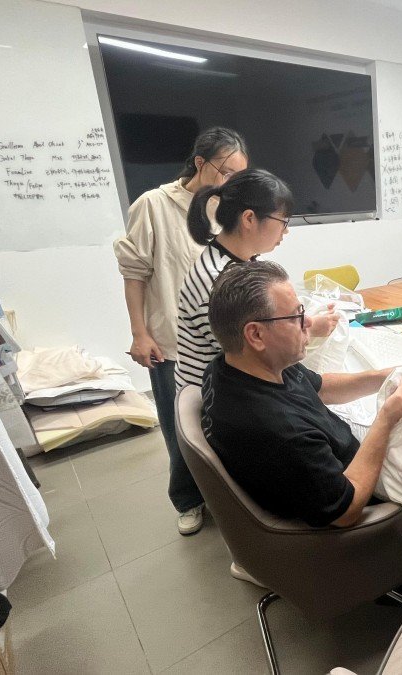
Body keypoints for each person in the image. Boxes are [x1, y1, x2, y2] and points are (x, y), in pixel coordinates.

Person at [200, 260, 402, 599]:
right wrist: (386, 418)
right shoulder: (278, 432)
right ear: (255, 334)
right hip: (349, 516)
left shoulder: (235, 367)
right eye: (297, 317)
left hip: (328, 469)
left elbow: (320, 386)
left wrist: (386, 375)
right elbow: (347, 511)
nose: (308, 325)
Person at [114, 127, 249, 536]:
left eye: (238, 177)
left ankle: (232, 496)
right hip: (173, 342)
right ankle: (188, 499)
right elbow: (135, 274)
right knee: (180, 428)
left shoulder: (225, 210)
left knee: (225, 422)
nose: (230, 184)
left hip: (223, 340)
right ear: (200, 163)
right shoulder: (153, 205)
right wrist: (140, 334)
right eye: (225, 173)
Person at [175, 168, 338, 391]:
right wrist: (309, 329)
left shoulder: (237, 261)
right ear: (249, 218)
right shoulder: (217, 281)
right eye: (283, 221)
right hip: (216, 397)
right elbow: (252, 354)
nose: (286, 231)